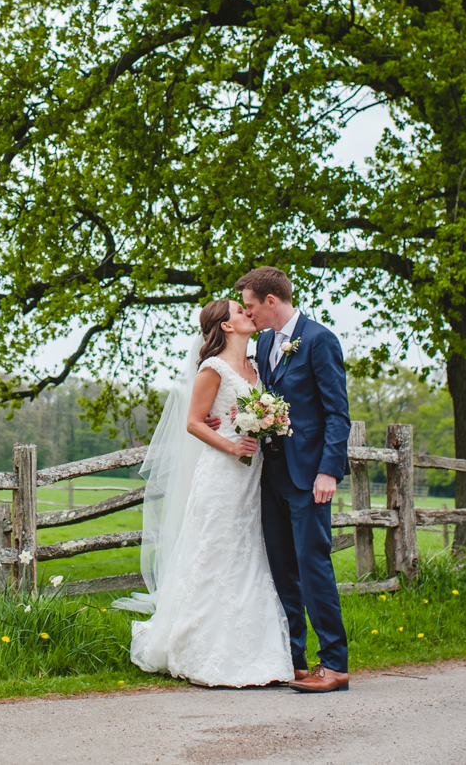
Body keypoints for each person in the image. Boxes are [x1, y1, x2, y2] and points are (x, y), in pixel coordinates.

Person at [118, 298, 293, 687]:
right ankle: (200, 648)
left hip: (254, 476)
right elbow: (194, 423)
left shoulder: (259, 365)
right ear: (226, 326)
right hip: (222, 475)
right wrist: (232, 445)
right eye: (239, 311)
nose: (248, 314)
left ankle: (256, 652)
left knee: (250, 554)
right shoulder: (212, 368)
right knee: (215, 551)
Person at [237, 265, 353, 693]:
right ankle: (294, 660)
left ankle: (335, 664)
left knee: (313, 564)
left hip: (309, 477)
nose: (248, 316)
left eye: (251, 307)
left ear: (271, 301)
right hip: (272, 476)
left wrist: (328, 470)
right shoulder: (265, 342)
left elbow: (337, 414)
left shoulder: (320, 340)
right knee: (282, 568)